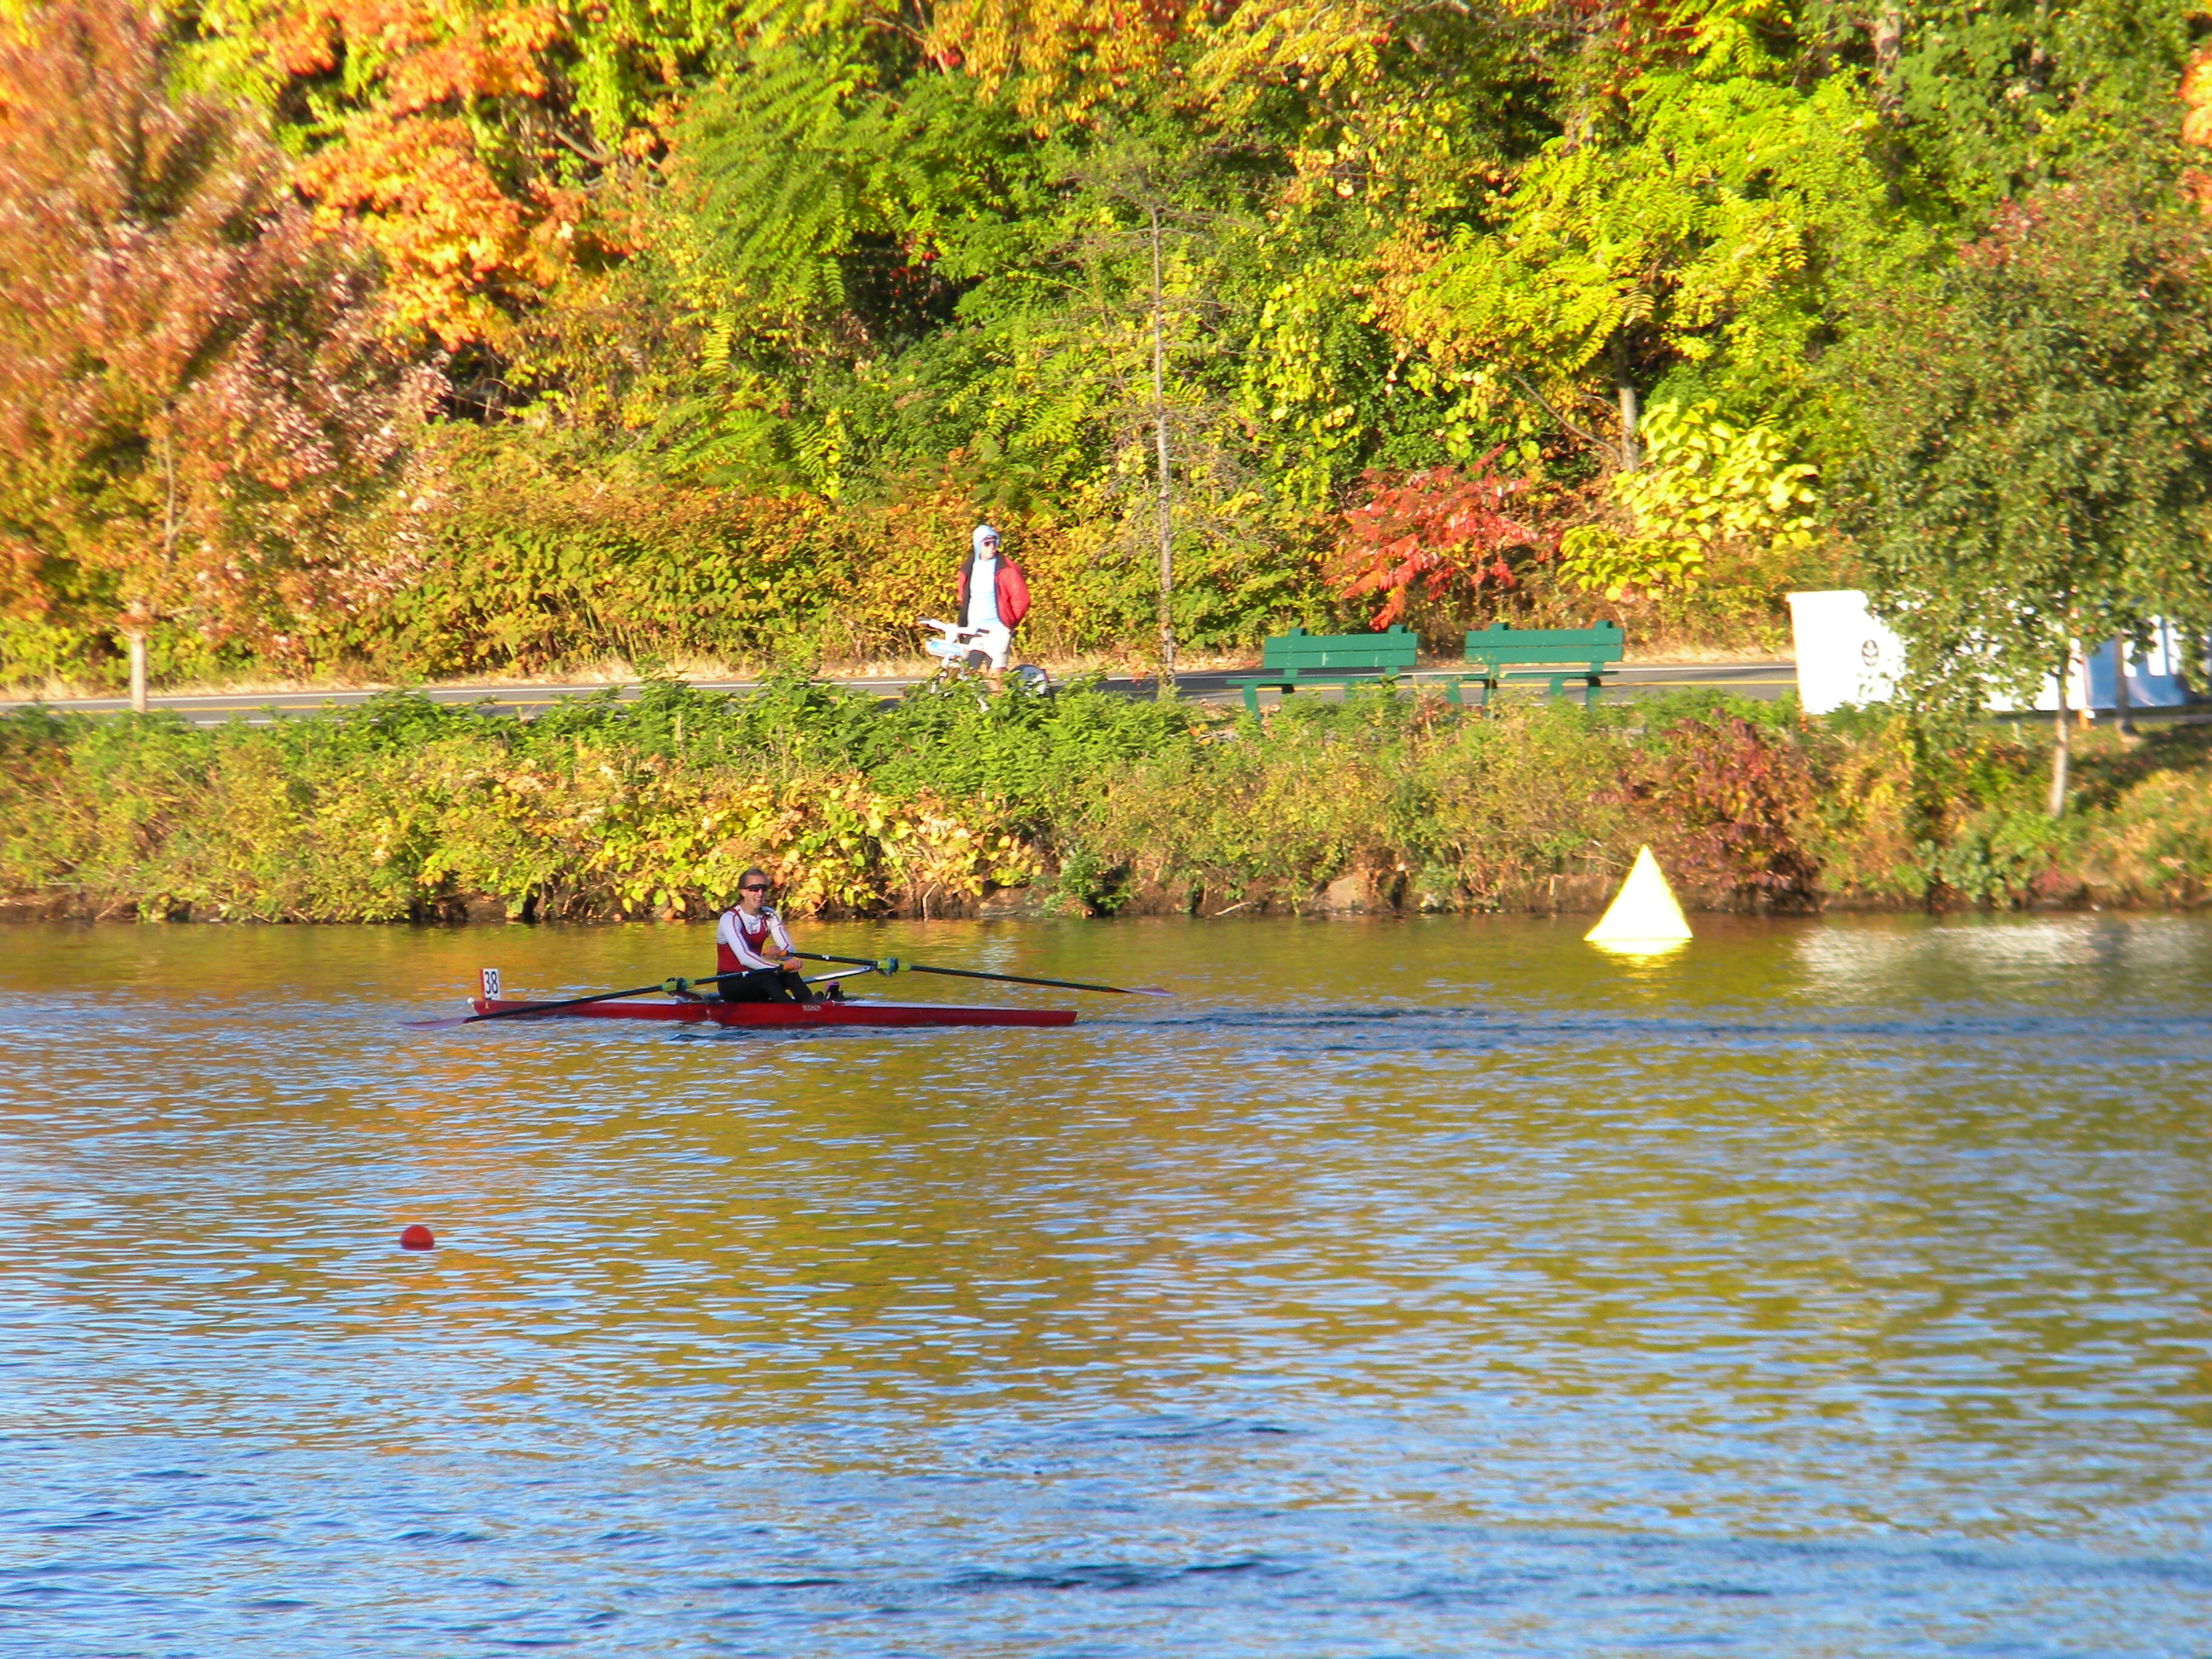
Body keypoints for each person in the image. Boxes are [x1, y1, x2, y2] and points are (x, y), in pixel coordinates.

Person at [714, 869, 816, 1004]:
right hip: (731, 983)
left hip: (757, 978)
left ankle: (813, 1006)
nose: (760, 893)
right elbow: (744, 958)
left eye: (763, 888)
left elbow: (788, 951)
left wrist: (779, 954)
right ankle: (794, 1011)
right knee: (769, 976)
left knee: (790, 974)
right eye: (754, 889)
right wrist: (778, 968)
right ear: (742, 892)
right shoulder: (730, 919)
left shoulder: (769, 916)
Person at [954, 523, 1031, 694]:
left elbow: (1021, 599)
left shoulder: (1006, 568)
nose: (992, 547)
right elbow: (963, 595)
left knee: (996, 678)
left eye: (994, 542)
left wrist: (1008, 622)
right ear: (977, 545)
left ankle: (1000, 717)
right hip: (972, 631)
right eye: (987, 543)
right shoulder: (968, 567)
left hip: (998, 630)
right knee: (965, 676)